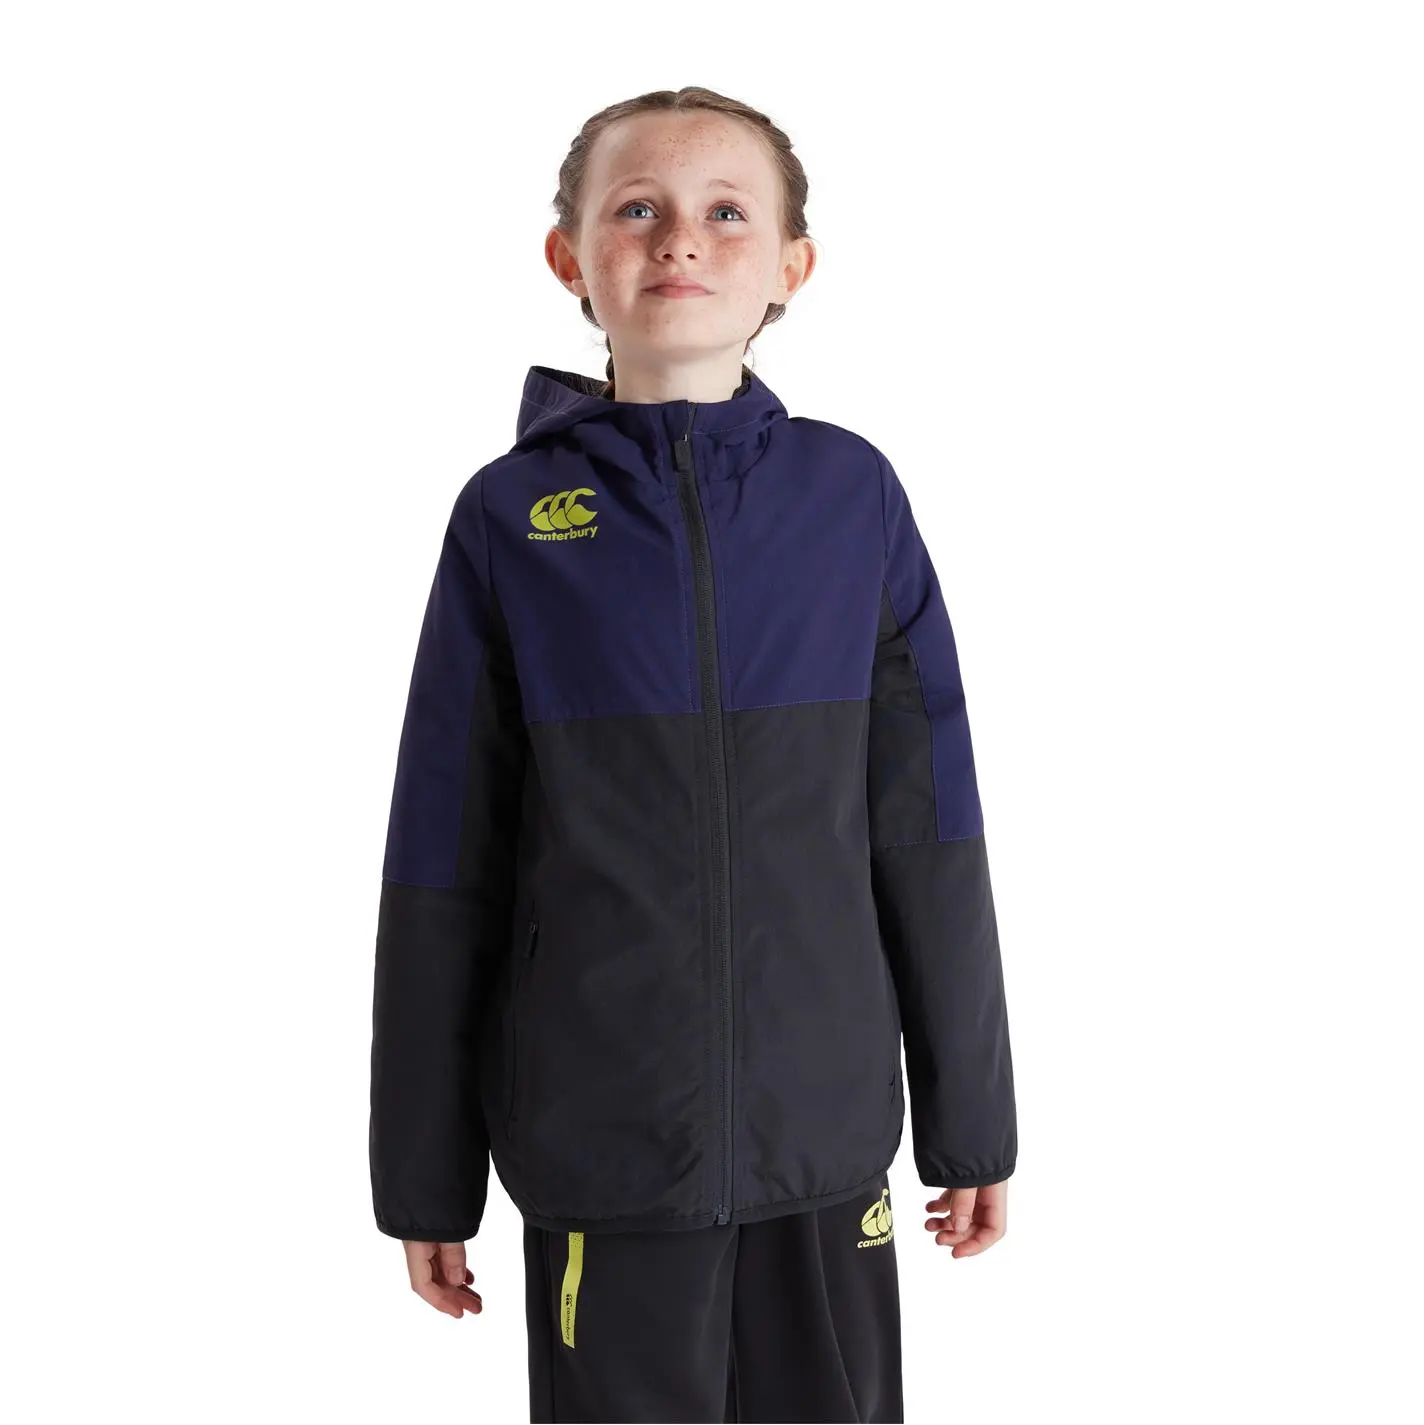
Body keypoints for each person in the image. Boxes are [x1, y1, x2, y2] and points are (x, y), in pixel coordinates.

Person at [368, 86, 1017, 1424]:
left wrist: (972, 1121)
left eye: (727, 213)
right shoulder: (509, 520)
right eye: (638, 210)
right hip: (602, 1147)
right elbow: (443, 855)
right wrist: (425, 1175)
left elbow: (928, 824)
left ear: (792, 266)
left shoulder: (852, 498)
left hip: (822, 1136)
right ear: (571, 258)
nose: (681, 240)